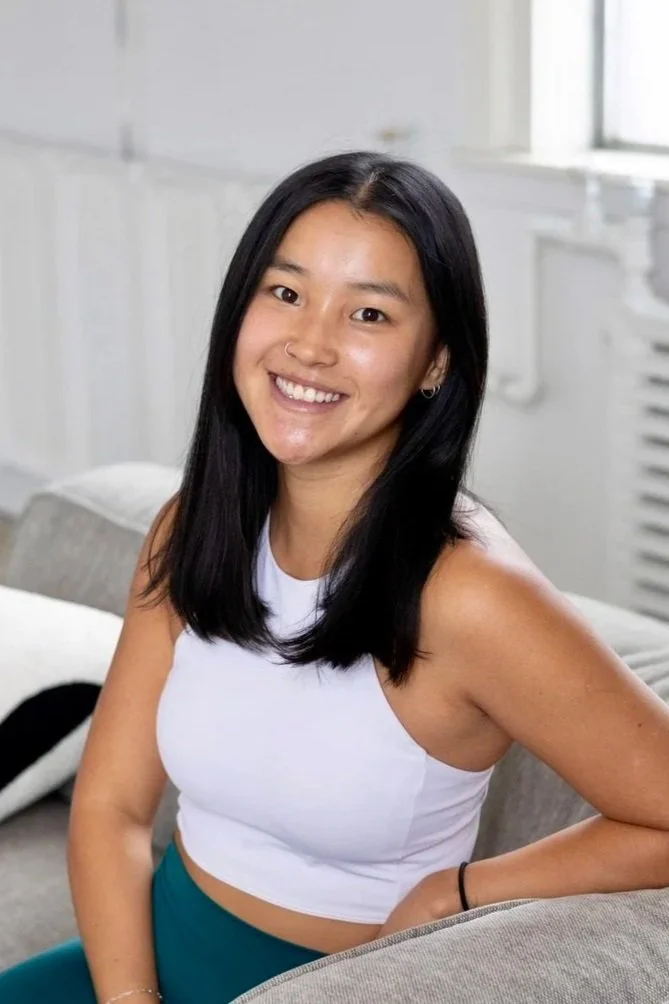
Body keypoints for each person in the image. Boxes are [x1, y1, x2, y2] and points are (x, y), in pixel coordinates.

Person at [3, 150, 669, 1004]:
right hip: (150, 963)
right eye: (284, 292)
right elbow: (112, 808)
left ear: (435, 362)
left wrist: (460, 893)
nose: (309, 345)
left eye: (368, 314)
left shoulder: (470, 596)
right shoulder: (195, 526)